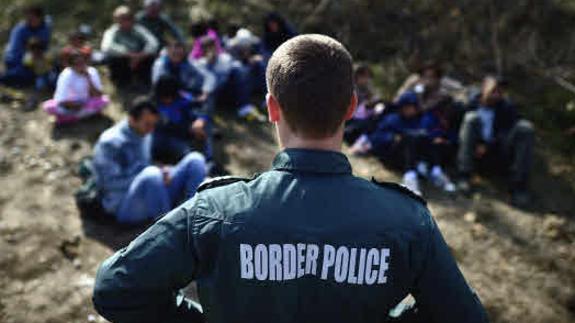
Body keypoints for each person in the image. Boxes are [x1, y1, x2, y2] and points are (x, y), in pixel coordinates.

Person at [93, 34, 488, 323]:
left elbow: (115, 290)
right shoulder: (407, 221)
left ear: (271, 107)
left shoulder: (216, 210)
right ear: (352, 106)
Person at [92, 97, 207, 224]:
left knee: (196, 160)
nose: (151, 130)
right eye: (147, 124)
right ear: (132, 119)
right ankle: (171, 228)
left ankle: (193, 217)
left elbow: (144, 165)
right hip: (123, 204)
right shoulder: (109, 143)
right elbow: (109, 184)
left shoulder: (145, 133)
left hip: (153, 191)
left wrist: (162, 171)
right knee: (152, 175)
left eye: (154, 125)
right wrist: (151, 175)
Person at [351, 92, 454, 195]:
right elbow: (375, 138)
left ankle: (436, 171)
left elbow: (430, 133)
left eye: (412, 107)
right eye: (406, 107)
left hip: (416, 156)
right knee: (410, 138)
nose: (409, 110)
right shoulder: (392, 119)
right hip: (393, 155)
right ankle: (410, 177)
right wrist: (392, 137)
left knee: (424, 138)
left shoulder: (420, 120)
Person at [457, 76, 534, 206]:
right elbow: (454, 127)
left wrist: (488, 145)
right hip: (470, 152)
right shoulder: (468, 104)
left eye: (500, 92)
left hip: (496, 152)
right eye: (493, 91)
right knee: (471, 119)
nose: (495, 95)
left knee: (525, 128)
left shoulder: (506, 108)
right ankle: (464, 176)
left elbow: (507, 132)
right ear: (484, 88)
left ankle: (518, 186)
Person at [152, 75, 210, 162]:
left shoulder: (184, 99)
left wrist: (200, 120)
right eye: (164, 97)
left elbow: (201, 108)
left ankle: (208, 161)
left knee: (189, 156)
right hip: (158, 137)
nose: (167, 100)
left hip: (178, 139)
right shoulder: (153, 102)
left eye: (169, 97)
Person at [42, 50, 109, 124]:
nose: (81, 66)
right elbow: (61, 100)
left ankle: (70, 118)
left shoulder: (92, 71)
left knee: (104, 101)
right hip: (70, 105)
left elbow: (98, 95)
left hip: (86, 102)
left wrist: (88, 79)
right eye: (77, 64)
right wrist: (76, 105)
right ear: (71, 66)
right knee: (48, 107)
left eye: (82, 62)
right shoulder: (66, 75)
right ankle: (79, 116)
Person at [151, 41, 215, 116]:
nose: (177, 56)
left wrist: (205, 93)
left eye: (180, 54)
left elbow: (210, 77)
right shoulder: (160, 64)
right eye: (174, 53)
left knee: (208, 98)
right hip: (166, 94)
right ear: (168, 51)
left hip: (185, 92)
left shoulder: (189, 62)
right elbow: (157, 83)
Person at [101, 5, 159, 87]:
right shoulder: (111, 32)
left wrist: (140, 56)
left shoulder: (139, 30)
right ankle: (122, 83)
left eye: (127, 18)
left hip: (140, 58)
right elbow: (106, 47)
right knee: (113, 59)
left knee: (152, 57)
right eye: (121, 19)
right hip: (123, 59)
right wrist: (128, 54)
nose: (125, 21)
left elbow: (154, 44)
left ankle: (144, 82)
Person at [0, 6, 51, 87]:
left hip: (38, 60)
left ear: (40, 17)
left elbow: (45, 46)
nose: (29, 20)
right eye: (28, 18)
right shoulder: (20, 29)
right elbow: (14, 52)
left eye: (32, 18)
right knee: (20, 74)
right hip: (17, 61)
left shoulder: (45, 28)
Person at [344, 64, 385, 144]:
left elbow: (375, 97)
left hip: (362, 116)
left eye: (368, 77)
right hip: (350, 118)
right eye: (364, 76)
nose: (367, 80)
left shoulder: (366, 87)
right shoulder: (350, 87)